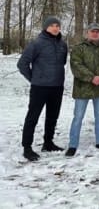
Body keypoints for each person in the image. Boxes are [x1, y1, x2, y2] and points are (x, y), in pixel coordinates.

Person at [17, 16, 68, 161]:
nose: (55, 28)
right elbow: (22, 64)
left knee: (52, 116)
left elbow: (62, 62)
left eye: (57, 25)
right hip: (40, 87)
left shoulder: (63, 45)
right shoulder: (36, 43)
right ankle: (27, 147)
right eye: (52, 25)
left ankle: (48, 142)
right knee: (33, 117)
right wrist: (33, 79)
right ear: (46, 27)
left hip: (57, 86)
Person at [65, 23, 99, 157]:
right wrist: (91, 77)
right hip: (83, 89)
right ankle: (72, 144)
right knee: (78, 117)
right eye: (92, 31)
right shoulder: (78, 48)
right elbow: (76, 65)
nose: (95, 34)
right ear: (87, 33)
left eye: (97, 32)